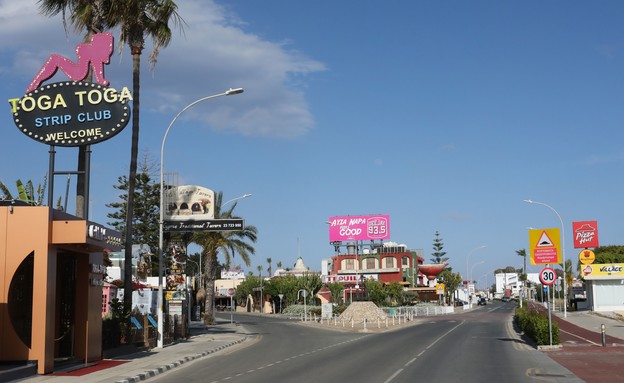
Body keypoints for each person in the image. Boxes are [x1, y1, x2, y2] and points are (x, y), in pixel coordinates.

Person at [26, 32, 113, 93]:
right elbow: (97, 67)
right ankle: (33, 85)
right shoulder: (91, 50)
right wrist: (101, 80)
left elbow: (97, 66)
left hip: (79, 73)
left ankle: (33, 85)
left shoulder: (93, 52)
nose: (92, 39)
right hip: (78, 71)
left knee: (54, 58)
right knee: (54, 58)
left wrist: (101, 80)